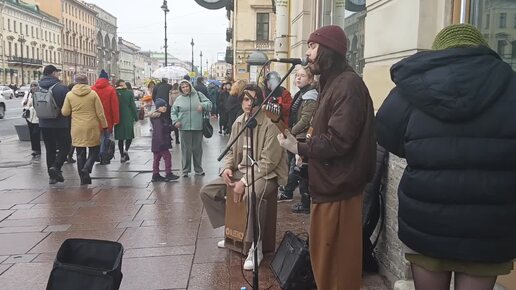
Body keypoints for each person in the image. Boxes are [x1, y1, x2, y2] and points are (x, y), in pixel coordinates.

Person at [375, 24, 516, 290]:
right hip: (489, 226)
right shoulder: (510, 83)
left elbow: (385, 133)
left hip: (427, 219)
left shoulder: (413, 87)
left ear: (438, 52)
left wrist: (420, 151)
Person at [277, 25, 376, 290]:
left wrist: (299, 148)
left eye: (312, 46)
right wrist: (305, 151)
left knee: (337, 265)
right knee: (325, 261)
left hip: (339, 187)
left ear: (328, 50)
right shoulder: (333, 82)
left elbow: (339, 140)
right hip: (330, 183)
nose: (307, 52)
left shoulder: (347, 85)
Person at [200, 84, 288, 270]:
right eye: (245, 100)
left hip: (267, 174)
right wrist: (226, 169)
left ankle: (256, 246)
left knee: (251, 196)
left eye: (253, 100)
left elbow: (269, 162)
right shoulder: (239, 121)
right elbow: (231, 151)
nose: (249, 104)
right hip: (242, 170)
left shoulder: (270, 123)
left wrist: (244, 181)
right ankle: (235, 228)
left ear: (261, 101)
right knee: (207, 191)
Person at [278, 66, 318, 215]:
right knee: (294, 166)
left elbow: (306, 120)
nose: (298, 78)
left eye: (302, 76)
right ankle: (290, 191)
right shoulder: (301, 93)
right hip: (295, 135)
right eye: (297, 76)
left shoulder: (310, 96)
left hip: (301, 138)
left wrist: (290, 132)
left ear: (310, 79)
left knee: (299, 169)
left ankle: (303, 201)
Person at [61, 74, 108, 185]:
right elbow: (100, 112)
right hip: (92, 125)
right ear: (86, 82)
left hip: (77, 127)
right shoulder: (93, 94)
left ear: (76, 82)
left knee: (80, 152)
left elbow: (65, 112)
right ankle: (87, 167)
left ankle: (83, 179)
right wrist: (105, 125)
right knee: (94, 149)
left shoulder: (70, 95)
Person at [170, 79, 212, 177]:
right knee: (185, 150)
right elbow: (173, 112)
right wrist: (175, 121)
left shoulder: (198, 95)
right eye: (183, 87)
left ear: (190, 86)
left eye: (187, 86)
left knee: (197, 149)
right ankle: (185, 170)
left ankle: (198, 169)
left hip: (198, 126)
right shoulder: (179, 99)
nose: (185, 89)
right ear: (181, 88)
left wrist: (202, 105)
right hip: (184, 127)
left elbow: (209, 104)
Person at [38, 65, 71, 184]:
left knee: (50, 149)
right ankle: (56, 167)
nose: (58, 74)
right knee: (65, 146)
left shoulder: (37, 87)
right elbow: (68, 106)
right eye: (57, 72)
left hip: (43, 123)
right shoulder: (61, 88)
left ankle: (52, 177)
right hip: (60, 123)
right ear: (53, 73)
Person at [92, 69, 120, 165]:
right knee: (105, 138)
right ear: (107, 79)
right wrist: (116, 120)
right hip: (107, 119)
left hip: (94, 119)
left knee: (96, 138)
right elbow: (114, 107)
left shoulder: (92, 89)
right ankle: (103, 156)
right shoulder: (111, 89)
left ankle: (96, 155)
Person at [149, 98, 180, 182]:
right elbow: (161, 130)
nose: (164, 108)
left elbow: (163, 129)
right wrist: (173, 127)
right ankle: (168, 173)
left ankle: (155, 174)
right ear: (157, 107)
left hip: (156, 143)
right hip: (161, 142)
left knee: (156, 158)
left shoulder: (158, 117)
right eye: (161, 106)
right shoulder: (159, 118)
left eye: (165, 106)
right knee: (167, 157)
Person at [114, 80, 138, 163]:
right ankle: (126, 150)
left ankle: (121, 155)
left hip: (118, 117)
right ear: (123, 85)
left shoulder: (114, 92)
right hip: (128, 116)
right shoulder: (129, 93)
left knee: (120, 138)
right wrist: (136, 117)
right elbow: (132, 106)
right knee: (129, 135)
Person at [21, 81, 41, 159]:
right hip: (29, 117)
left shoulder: (40, 94)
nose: (33, 87)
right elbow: (22, 102)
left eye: (35, 85)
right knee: (32, 134)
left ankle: (38, 150)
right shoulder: (28, 94)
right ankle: (34, 149)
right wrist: (25, 103)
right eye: (32, 86)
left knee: (36, 133)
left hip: (37, 117)